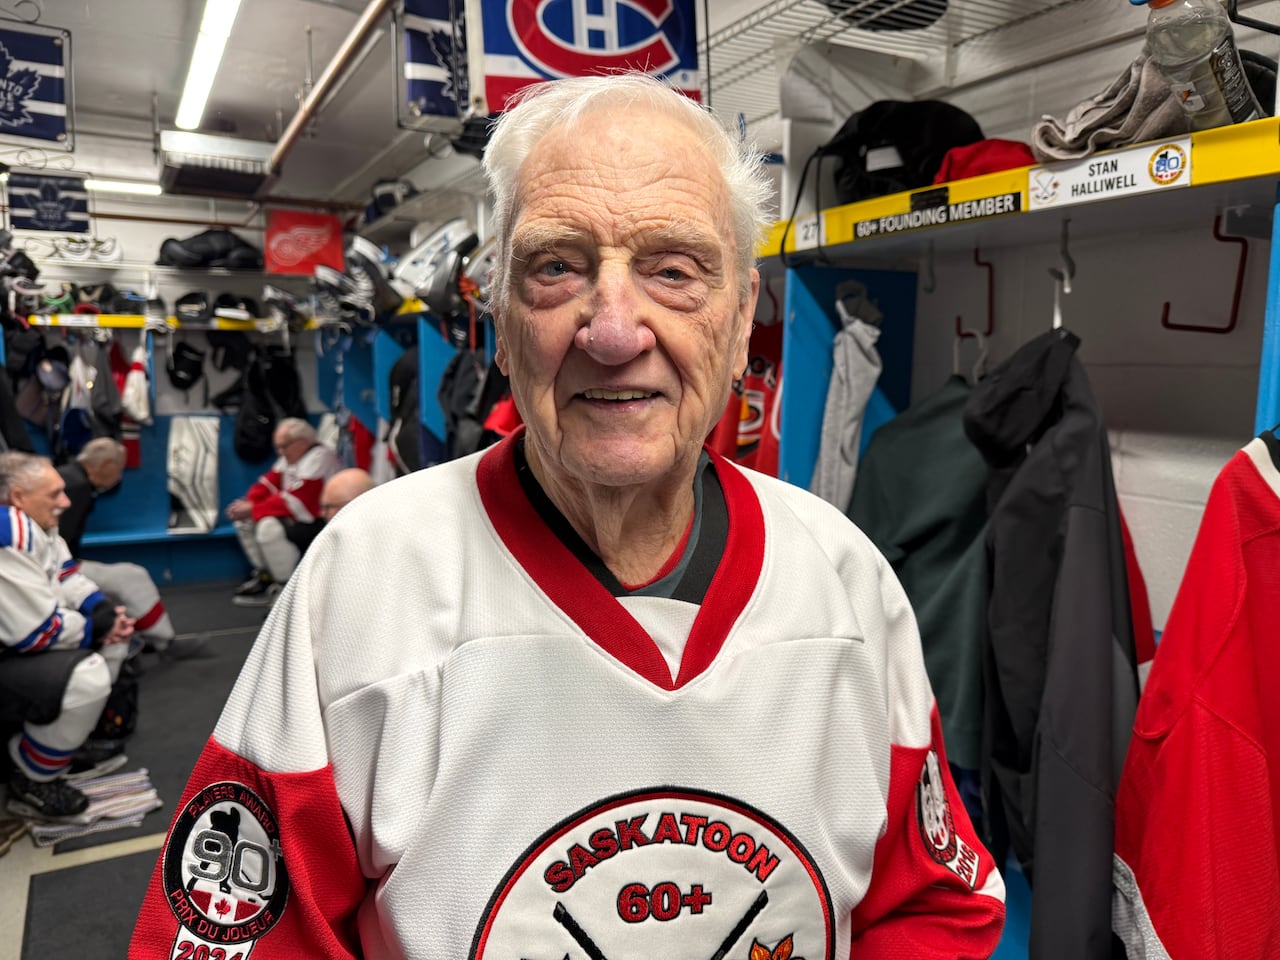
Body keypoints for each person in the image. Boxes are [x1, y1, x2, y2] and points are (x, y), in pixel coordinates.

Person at [130, 73, 1005, 959]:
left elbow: (930, 907)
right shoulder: (364, 581)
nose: (615, 330)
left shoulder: (845, 580)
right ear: (501, 324)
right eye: (557, 267)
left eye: (674, 270)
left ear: (742, 321)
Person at [0, 451, 134, 819]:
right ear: (18, 497)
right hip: (14, 648)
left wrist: (103, 613)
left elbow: (66, 575)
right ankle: (31, 776)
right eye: (54, 493)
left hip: (16, 645)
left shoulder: (37, 523)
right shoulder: (8, 533)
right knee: (86, 676)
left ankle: (57, 740)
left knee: (116, 637)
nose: (67, 502)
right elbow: (37, 633)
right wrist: (96, 629)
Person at [57, 437, 203, 659]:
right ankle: (164, 643)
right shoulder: (77, 487)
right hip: (54, 568)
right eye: (119, 469)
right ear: (106, 465)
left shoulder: (68, 475)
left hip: (49, 562)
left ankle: (153, 638)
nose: (119, 476)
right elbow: (60, 540)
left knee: (125, 578)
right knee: (132, 577)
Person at [225, 417, 342, 606]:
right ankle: (266, 576)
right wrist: (247, 505)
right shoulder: (291, 456)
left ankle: (286, 590)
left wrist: (253, 508)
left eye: (283, 446)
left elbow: (299, 500)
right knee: (245, 520)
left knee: (268, 528)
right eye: (277, 447)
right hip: (298, 515)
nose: (280, 452)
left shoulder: (320, 457)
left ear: (301, 442)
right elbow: (268, 484)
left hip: (320, 521)